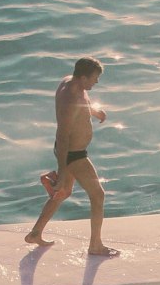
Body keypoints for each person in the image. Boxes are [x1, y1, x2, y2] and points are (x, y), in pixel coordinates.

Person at [25, 56, 120, 257]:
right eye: (94, 78)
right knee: (98, 195)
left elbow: (81, 107)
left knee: (63, 192)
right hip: (72, 154)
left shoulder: (71, 82)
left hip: (71, 153)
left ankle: (35, 233)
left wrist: (95, 112)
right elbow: (63, 134)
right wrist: (62, 168)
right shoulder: (71, 99)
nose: (97, 82)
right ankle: (95, 246)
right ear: (83, 77)